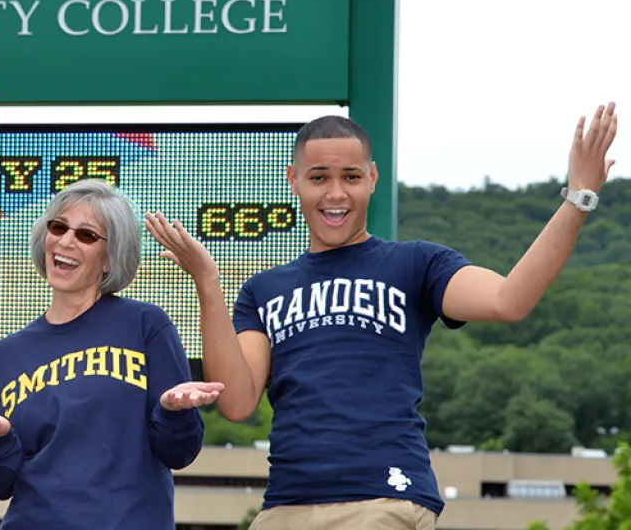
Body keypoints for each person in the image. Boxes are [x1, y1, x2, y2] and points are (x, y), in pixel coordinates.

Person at [145, 104, 619, 530]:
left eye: (351, 177)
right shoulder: (263, 290)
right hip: (285, 505)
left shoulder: (415, 264)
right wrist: (207, 281)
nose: (336, 193)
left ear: (372, 177)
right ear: (293, 180)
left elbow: (508, 300)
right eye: (319, 177)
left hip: (384, 499)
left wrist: (577, 198)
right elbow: (238, 403)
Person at [0, 178, 225, 529]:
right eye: (58, 227)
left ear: (110, 259)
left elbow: (179, 453)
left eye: (86, 235)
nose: (65, 241)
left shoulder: (145, 325)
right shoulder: (3, 357)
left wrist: (173, 413)